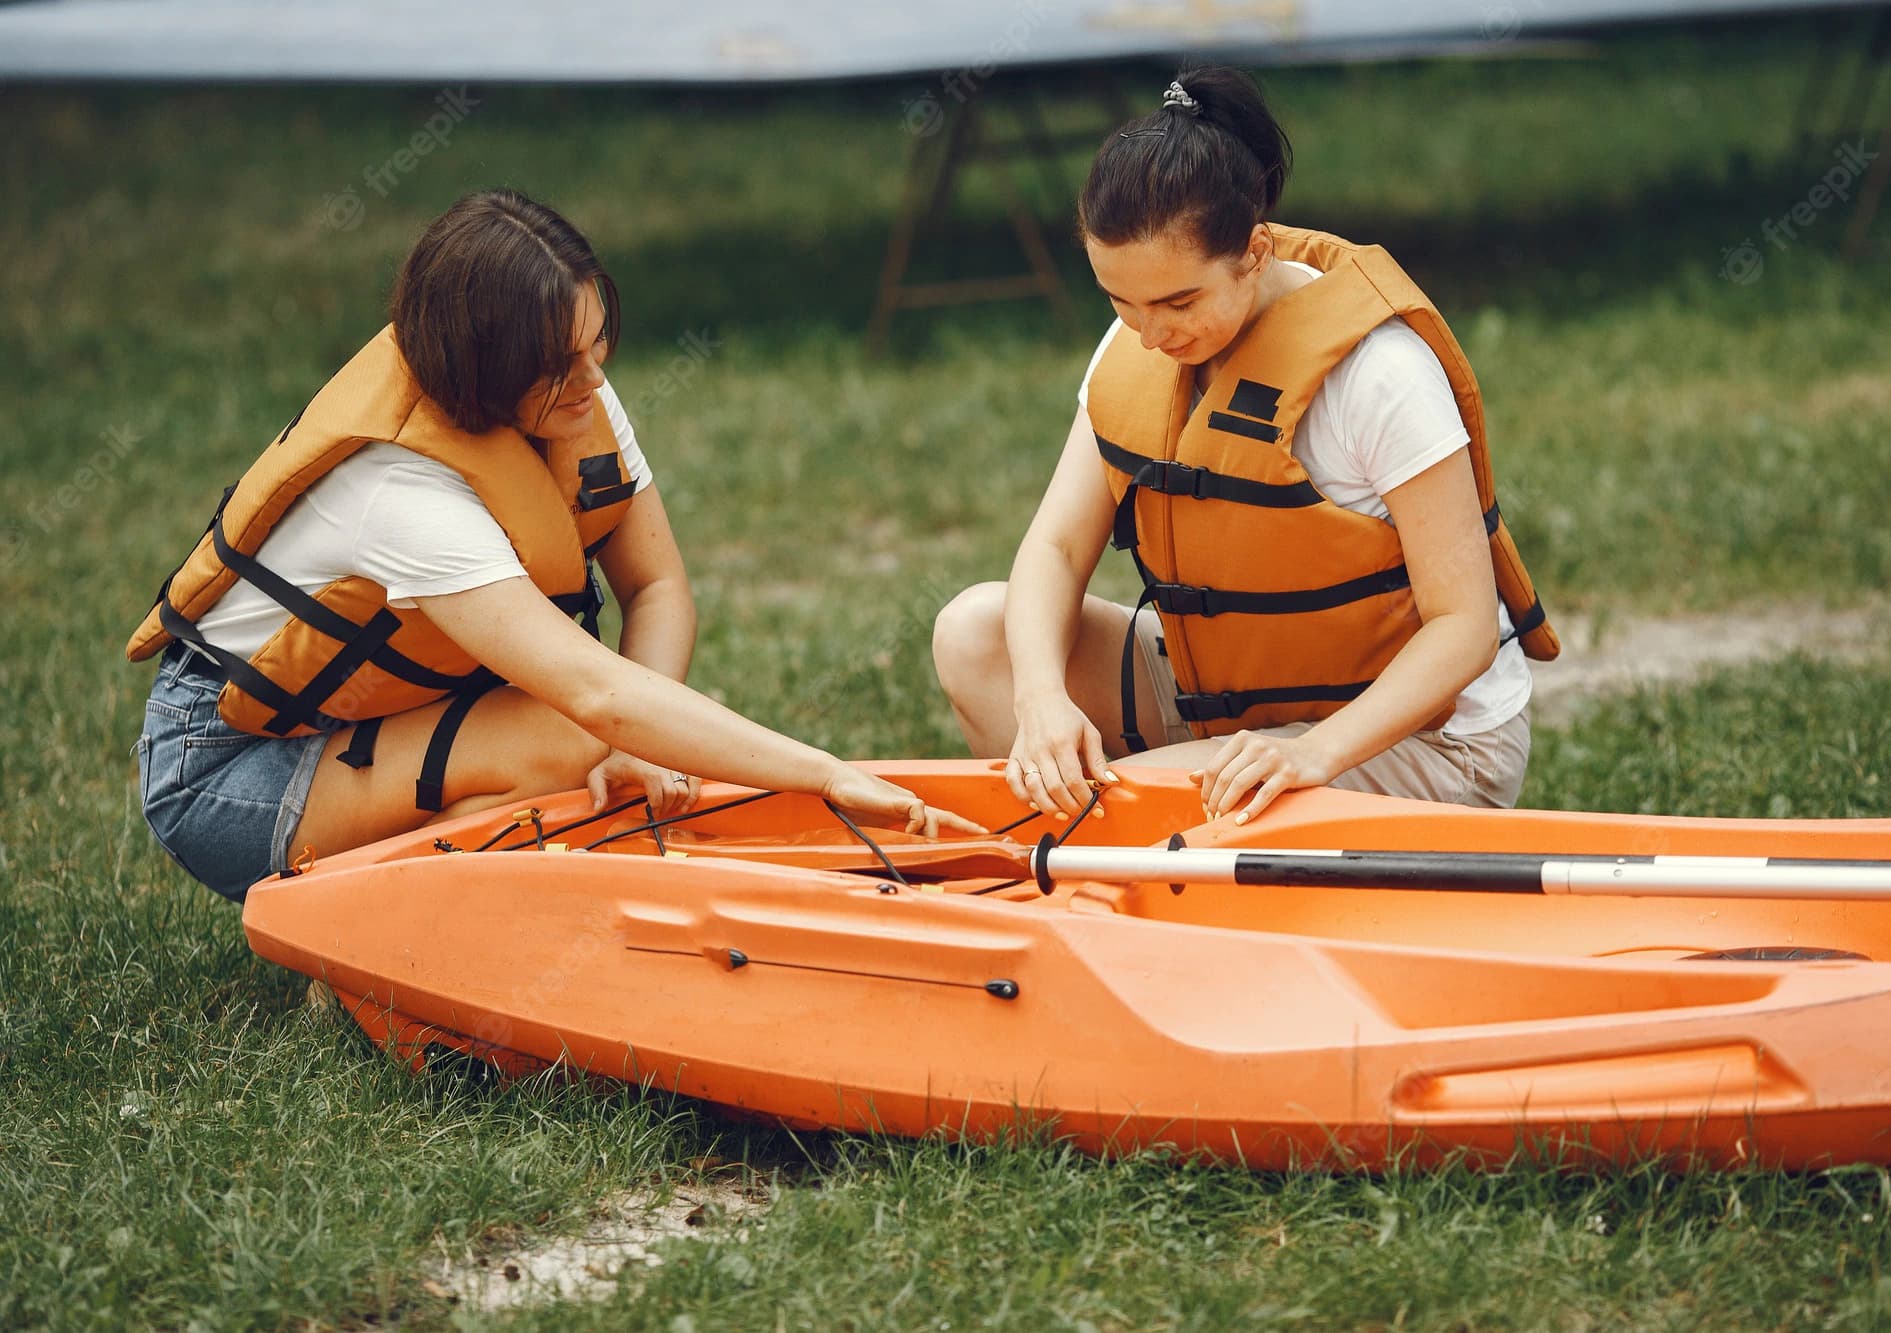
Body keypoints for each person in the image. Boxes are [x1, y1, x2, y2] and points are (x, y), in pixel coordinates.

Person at [130, 188, 979, 902]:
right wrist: (822, 773)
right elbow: (596, 697)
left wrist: (633, 744)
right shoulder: (401, 487)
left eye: (596, 343)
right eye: (562, 364)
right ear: (482, 371)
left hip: (377, 724)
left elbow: (659, 590)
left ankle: (429, 896)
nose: (596, 380)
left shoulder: (568, 402)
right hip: (229, 765)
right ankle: (361, 944)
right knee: (568, 750)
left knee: (601, 758)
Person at [932, 67, 1560, 827]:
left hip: (1428, 741)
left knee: (1140, 808)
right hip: (1229, 703)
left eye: (1178, 302)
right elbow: (1058, 549)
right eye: (1121, 303)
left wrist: (1311, 754)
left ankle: (1102, 875)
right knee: (975, 633)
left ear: (1255, 253)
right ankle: (1089, 864)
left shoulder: (1380, 374)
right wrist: (1040, 701)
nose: (1153, 334)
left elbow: (1463, 629)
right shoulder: (1139, 343)